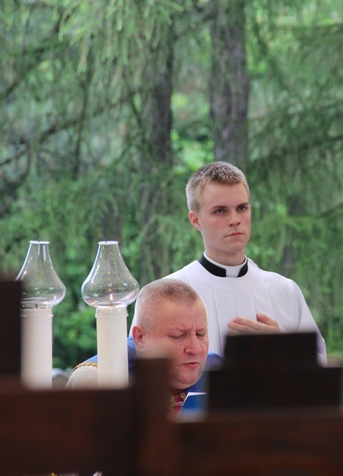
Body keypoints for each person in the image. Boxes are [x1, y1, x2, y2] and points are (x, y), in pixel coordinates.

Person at [165, 161, 327, 364]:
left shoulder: (285, 291)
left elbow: (320, 375)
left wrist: (285, 348)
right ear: (195, 220)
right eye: (220, 211)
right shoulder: (167, 295)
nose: (235, 220)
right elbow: (144, 374)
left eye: (242, 208)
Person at [66, 278, 221, 417]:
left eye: (200, 334)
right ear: (140, 338)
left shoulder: (222, 371)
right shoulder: (96, 380)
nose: (195, 349)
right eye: (178, 336)